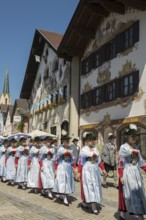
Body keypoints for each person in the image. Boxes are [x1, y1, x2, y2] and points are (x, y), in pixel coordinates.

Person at [118, 124, 146, 220]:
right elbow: (121, 162)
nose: (134, 138)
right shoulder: (124, 147)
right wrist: (121, 175)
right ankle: (123, 214)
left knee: (138, 192)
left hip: (136, 173)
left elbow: (141, 161)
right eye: (132, 136)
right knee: (128, 194)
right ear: (128, 136)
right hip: (127, 172)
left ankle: (139, 213)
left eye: (135, 136)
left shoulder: (137, 147)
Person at [78, 132, 106, 214]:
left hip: (95, 170)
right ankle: (93, 206)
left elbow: (99, 161)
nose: (92, 141)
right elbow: (80, 162)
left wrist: (103, 169)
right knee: (89, 187)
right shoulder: (83, 150)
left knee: (96, 186)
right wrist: (79, 172)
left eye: (93, 140)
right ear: (86, 141)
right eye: (90, 140)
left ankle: (91, 202)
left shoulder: (96, 149)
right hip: (87, 170)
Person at [53, 135, 76, 206]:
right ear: (63, 141)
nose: (67, 142)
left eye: (68, 141)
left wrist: (74, 167)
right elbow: (56, 160)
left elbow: (73, 159)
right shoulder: (60, 149)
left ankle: (63, 195)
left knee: (67, 181)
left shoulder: (71, 149)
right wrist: (55, 169)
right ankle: (64, 197)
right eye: (66, 141)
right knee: (62, 181)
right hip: (62, 167)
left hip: (68, 167)